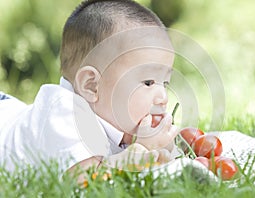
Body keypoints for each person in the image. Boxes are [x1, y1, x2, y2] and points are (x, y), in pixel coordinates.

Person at [0, 0, 181, 183]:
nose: (163, 98)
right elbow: (84, 183)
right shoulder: (66, 112)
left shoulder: (118, 126)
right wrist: (141, 151)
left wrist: (163, 149)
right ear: (91, 85)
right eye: (148, 82)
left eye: (165, 83)